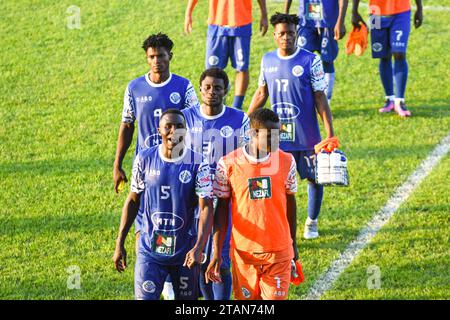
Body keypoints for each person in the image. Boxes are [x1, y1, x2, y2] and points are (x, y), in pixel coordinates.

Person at [113, 33, 199, 298]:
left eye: (161, 56)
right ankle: (154, 284)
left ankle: (172, 287)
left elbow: (195, 126)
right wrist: (117, 165)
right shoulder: (135, 88)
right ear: (146, 58)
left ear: (170, 56)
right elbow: (127, 126)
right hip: (148, 170)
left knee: (176, 227)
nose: (156, 61)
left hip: (177, 169)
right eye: (151, 56)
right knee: (147, 234)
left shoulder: (184, 88)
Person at [248, 13, 336, 239]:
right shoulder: (267, 60)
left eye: (291, 33)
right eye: (282, 33)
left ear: (297, 34)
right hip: (276, 139)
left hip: (307, 136)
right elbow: (261, 93)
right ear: (275, 36)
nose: (286, 37)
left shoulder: (310, 61)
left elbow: (320, 97)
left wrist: (330, 133)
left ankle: (312, 221)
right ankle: (281, 228)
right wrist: (245, 119)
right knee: (275, 184)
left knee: (314, 178)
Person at [112, 109, 214, 300]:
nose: (173, 132)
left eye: (179, 127)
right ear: (159, 130)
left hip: (185, 253)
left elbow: (206, 206)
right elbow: (133, 200)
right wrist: (120, 243)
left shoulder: (199, 163)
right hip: (149, 251)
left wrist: (199, 247)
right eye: (168, 126)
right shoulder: (144, 158)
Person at [206, 108, 299, 300]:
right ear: (253, 133)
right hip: (244, 253)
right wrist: (216, 250)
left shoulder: (287, 161)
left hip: (279, 252)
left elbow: (291, 204)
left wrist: (293, 243)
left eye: (278, 134)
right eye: (270, 135)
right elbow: (221, 210)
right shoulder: (228, 164)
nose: (277, 139)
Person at [183, 67, 250, 300]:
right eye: (208, 87)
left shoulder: (240, 119)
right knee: (200, 256)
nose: (212, 92)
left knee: (219, 256)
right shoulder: (185, 118)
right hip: (194, 202)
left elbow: (250, 159)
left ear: (226, 91)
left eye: (218, 88)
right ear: (200, 89)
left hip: (225, 201)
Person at [184, 0, 269, 110]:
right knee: (212, 71)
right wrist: (188, 13)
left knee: (242, 68)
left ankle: (237, 107)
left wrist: (264, 14)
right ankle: (216, 104)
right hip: (217, 24)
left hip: (241, 23)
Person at [352, 0, 423, 116]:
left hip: (401, 12)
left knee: (399, 53)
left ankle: (400, 101)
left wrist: (419, 8)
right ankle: (389, 99)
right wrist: (354, 11)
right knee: (384, 56)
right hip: (376, 13)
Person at [284, 0, 349, 105]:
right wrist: (285, 14)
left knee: (327, 61)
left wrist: (340, 21)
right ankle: (301, 99)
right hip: (306, 19)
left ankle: (326, 102)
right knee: (300, 60)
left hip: (328, 20)